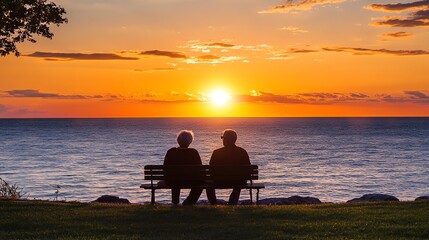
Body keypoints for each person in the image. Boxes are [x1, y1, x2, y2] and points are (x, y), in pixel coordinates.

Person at [206, 129, 251, 205]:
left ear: (225, 140)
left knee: (207, 184)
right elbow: (248, 170)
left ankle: (213, 204)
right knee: (238, 183)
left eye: (223, 138)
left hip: (219, 181)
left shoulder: (217, 153)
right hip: (238, 181)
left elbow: (211, 170)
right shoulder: (242, 152)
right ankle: (232, 204)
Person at [163, 130, 203, 205]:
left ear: (178, 140)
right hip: (191, 181)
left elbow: (165, 168)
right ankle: (189, 201)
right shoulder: (193, 152)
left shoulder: (171, 152)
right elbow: (199, 169)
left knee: (175, 178)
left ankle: (175, 202)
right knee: (200, 185)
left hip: (172, 181)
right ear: (190, 141)